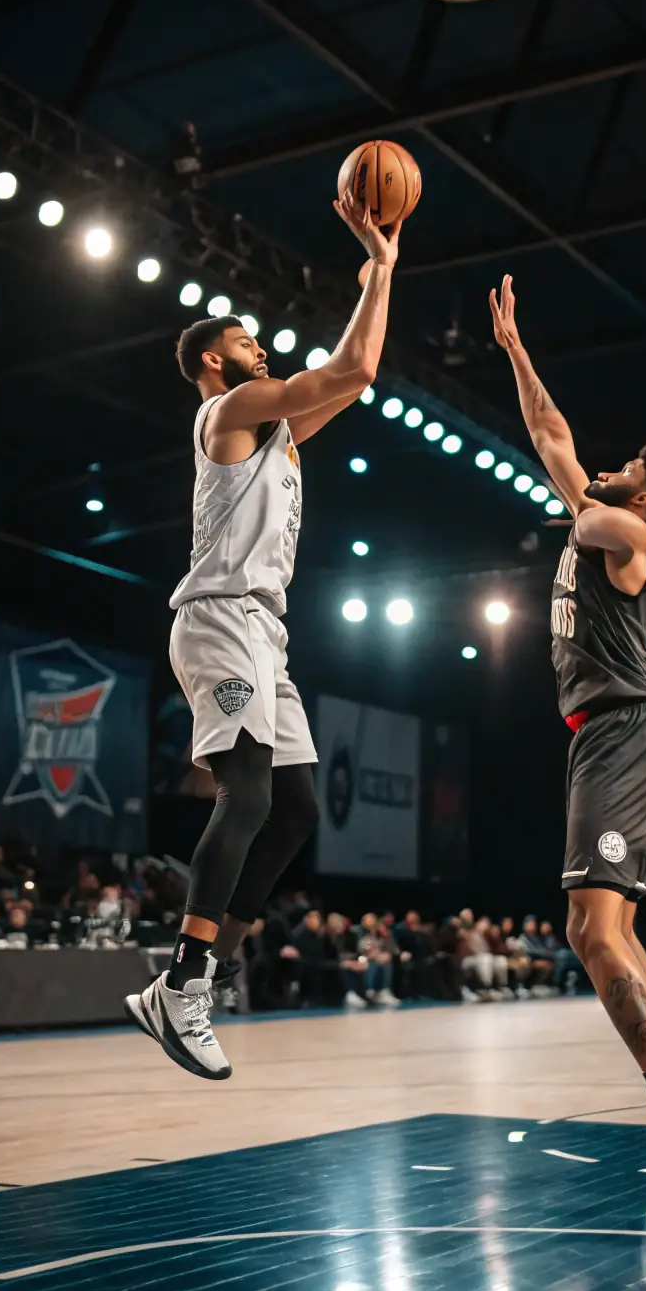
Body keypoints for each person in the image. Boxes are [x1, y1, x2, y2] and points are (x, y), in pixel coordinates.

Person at [489, 273, 646, 1224]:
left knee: (591, 934)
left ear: (642, 491)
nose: (604, 462)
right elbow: (555, 439)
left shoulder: (629, 530)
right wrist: (517, 353)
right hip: (611, 735)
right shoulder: (609, 518)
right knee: (613, 935)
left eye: (621, 462)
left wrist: (573, 471)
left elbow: (565, 472)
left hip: (626, 732)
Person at [127, 191, 402, 1077]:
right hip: (217, 623)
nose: (262, 346)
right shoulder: (228, 412)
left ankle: (208, 973)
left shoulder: (276, 431)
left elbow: (356, 374)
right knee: (243, 797)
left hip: (265, 634)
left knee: (295, 812)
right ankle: (182, 982)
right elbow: (351, 368)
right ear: (215, 359)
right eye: (247, 340)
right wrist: (382, 269)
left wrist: (378, 275)